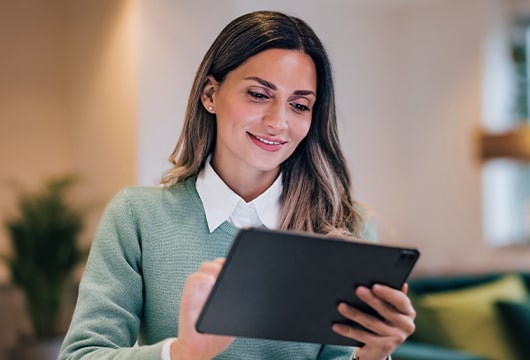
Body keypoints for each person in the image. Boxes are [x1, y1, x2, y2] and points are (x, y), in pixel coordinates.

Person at [59, 10, 416, 360]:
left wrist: (374, 355)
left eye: (299, 104)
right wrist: (183, 354)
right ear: (210, 94)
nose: (278, 121)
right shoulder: (137, 217)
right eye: (259, 95)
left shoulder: (348, 228)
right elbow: (82, 355)